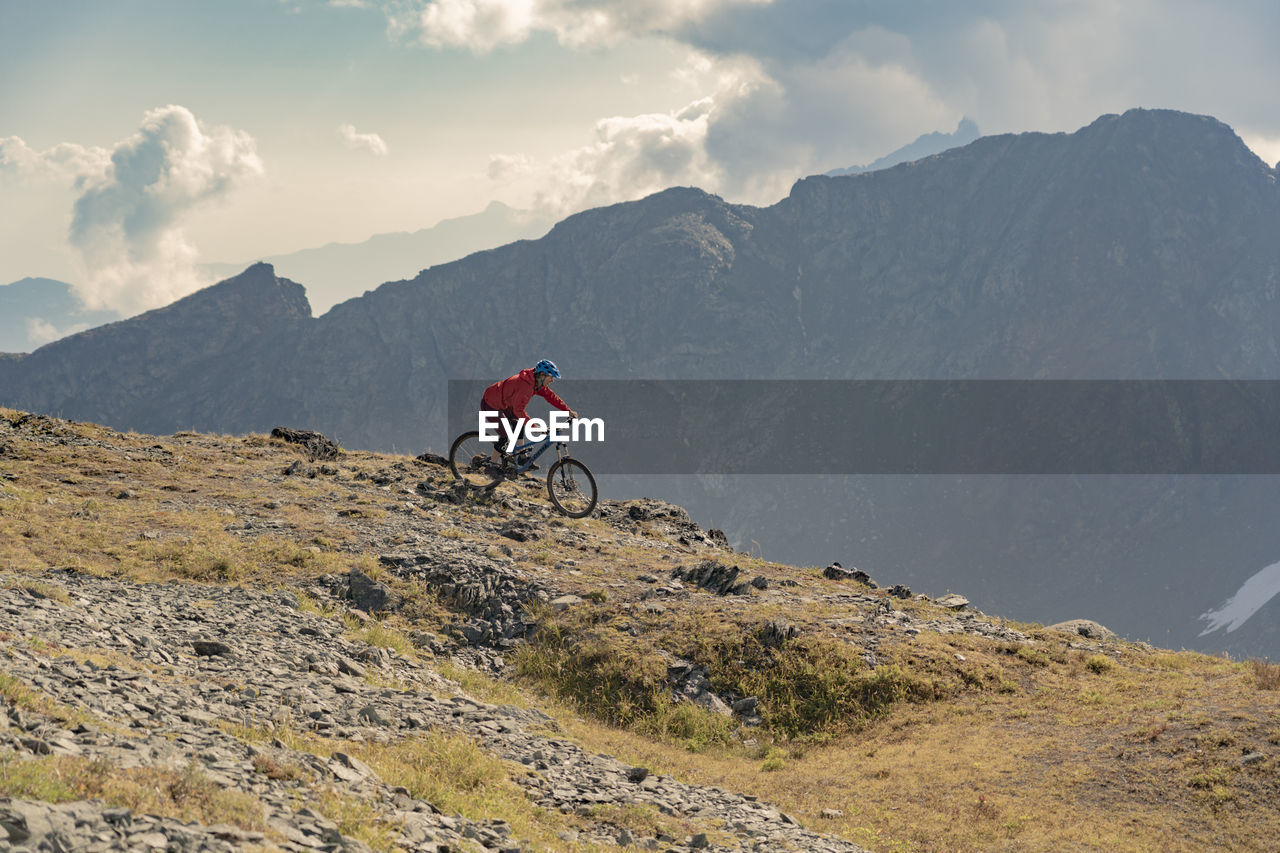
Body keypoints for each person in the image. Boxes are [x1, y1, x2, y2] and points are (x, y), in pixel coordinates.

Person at [481, 360, 578, 470]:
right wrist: (534, 426)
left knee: (519, 424)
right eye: (551, 377)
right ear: (542, 375)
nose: (552, 380)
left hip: (505, 404)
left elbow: (551, 396)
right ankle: (491, 466)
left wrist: (567, 410)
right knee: (506, 435)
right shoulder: (525, 386)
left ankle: (521, 456)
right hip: (491, 404)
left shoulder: (536, 382)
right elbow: (518, 411)